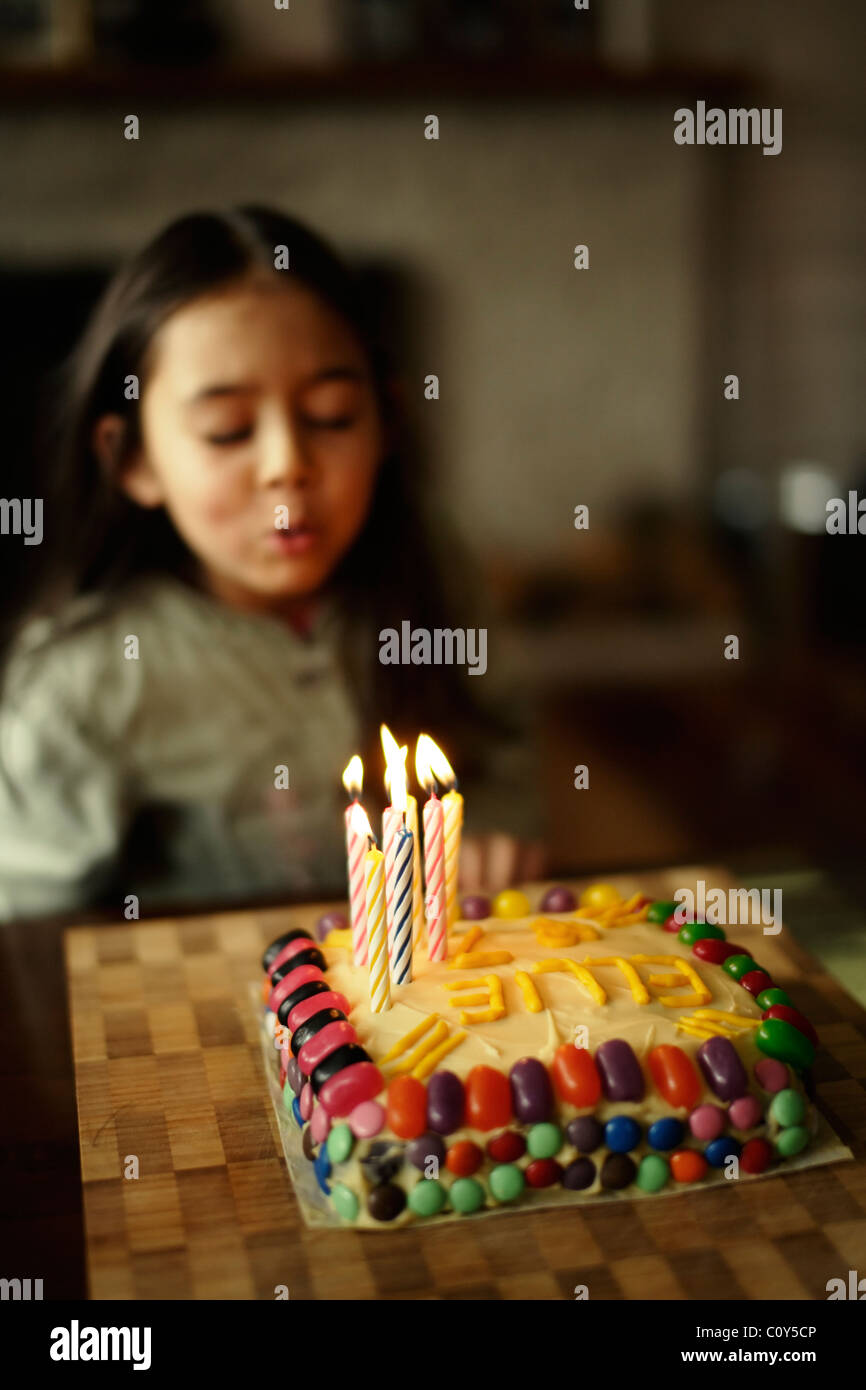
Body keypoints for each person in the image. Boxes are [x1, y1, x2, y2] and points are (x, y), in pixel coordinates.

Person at [0, 206, 544, 922]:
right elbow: (33, 938)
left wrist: (492, 831)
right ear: (132, 459)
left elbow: (503, 747)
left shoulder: (434, 565)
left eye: (331, 416)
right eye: (227, 432)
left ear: (386, 422)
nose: (288, 466)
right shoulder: (83, 682)